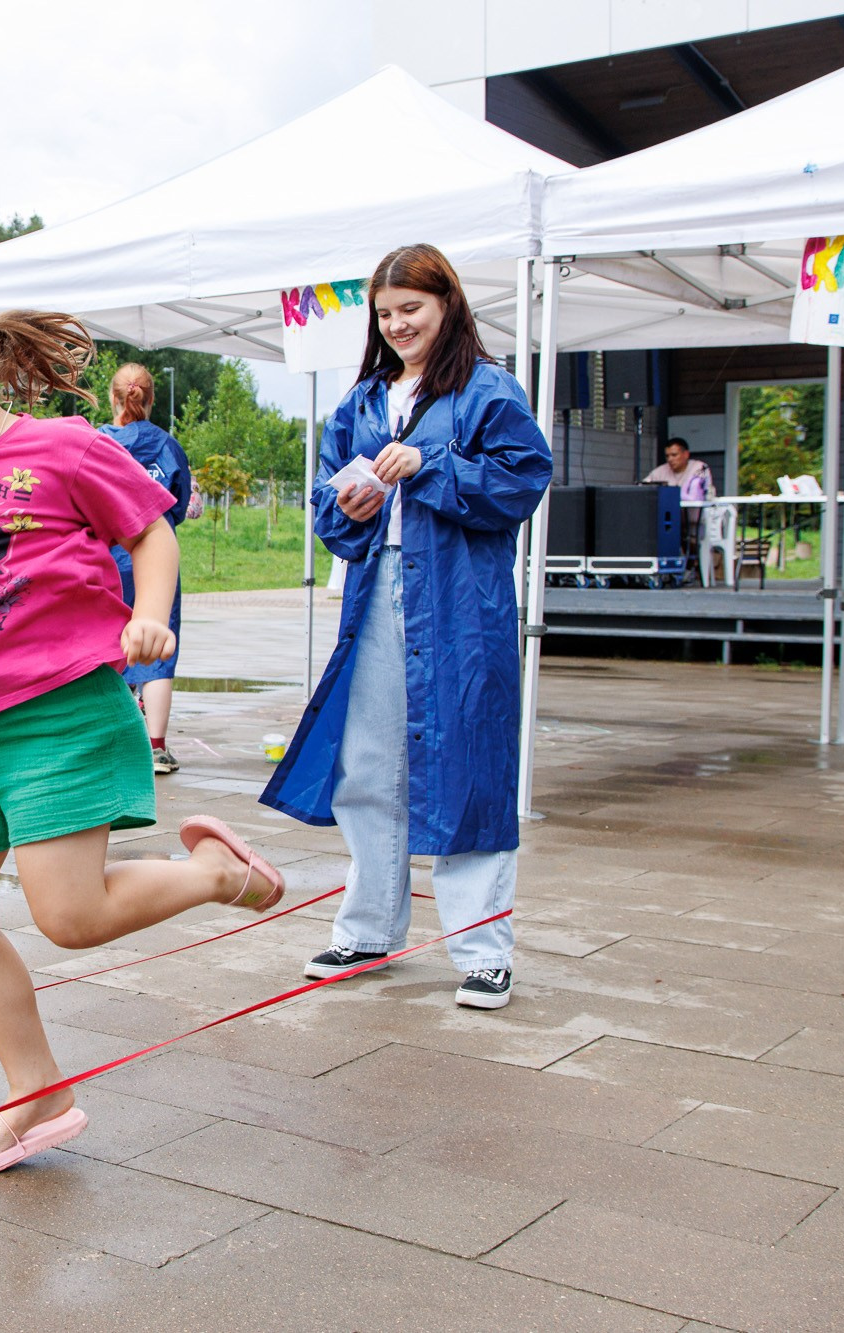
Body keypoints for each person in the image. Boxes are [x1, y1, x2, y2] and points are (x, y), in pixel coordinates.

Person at [0, 292, 288, 1176]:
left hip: (55, 715)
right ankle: (35, 1087)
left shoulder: (68, 448)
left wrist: (150, 619)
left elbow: (153, 536)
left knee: (71, 917)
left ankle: (214, 872)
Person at [262, 243, 552, 1011]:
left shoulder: (489, 390)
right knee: (366, 765)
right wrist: (347, 509)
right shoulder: (362, 401)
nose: (396, 325)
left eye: (410, 310)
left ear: (447, 303)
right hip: (376, 593)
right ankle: (366, 930)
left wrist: (432, 468)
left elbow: (524, 479)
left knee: (471, 767)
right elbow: (330, 505)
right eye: (385, 313)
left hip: (459, 607)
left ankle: (485, 950)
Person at [99, 363, 192, 776]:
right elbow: (179, 499)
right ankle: (155, 747)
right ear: (150, 399)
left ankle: (109, 743)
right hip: (154, 561)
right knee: (158, 645)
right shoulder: (168, 446)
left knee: (104, 646)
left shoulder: (97, 442)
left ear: (112, 398)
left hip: (104, 560)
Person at [642, 437, 715, 499]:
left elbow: (697, 496)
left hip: (693, 514)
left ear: (686, 454)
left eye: (674, 455)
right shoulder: (659, 471)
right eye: (667, 456)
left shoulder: (700, 468)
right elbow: (642, 488)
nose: (670, 459)